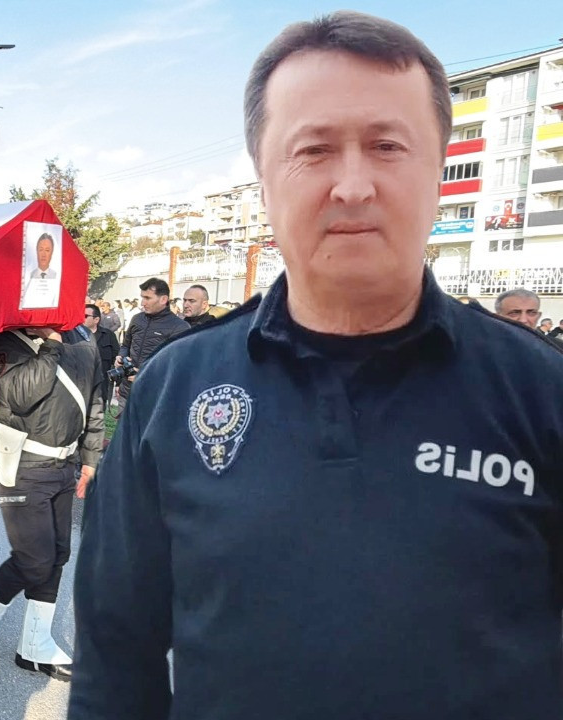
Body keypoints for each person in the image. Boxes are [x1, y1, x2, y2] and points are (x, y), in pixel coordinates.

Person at [71, 12, 563, 720]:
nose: (354, 185)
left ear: (438, 171)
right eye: (315, 150)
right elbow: (116, 655)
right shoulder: (176, 390)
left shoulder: (540, 390)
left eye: (389, 146)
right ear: (264, 178)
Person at [0, 322, 104, 683]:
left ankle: (35, 644)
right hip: (24, 459)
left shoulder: (83, 337)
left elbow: (95, 396)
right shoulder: (7, 338)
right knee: (34, 558)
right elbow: (21, 394)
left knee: (57, 553)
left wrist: (90, 456)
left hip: (65, 461)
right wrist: (51, 345)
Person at [115, 277, 189, 412]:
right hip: (127, 394)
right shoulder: (137, 319)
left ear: (163, 300)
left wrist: (146, 376)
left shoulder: (179, 327)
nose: (142, 303)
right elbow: (125, 345)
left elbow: (179, 366)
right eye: (142, 297)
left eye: (147, 298)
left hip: (155, 398)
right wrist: (120, 357)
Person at [82, 304, 119, 403]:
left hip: (101, 386)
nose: (82, 318)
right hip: (81, 384)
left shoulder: (108, 335)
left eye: (85, 316)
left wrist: (118, 383)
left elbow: (117, 360)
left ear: (96, 319)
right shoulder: (74, 335)